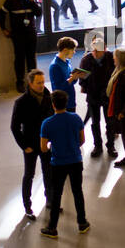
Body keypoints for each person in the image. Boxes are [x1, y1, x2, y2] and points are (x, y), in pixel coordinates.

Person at [39, 89, 90, 238]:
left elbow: (43, 147)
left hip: (58, 163)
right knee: (77, 192)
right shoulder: (76, 118)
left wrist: (51, 145)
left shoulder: (47, 123)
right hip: (75, 161)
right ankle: (82, 223)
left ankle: (52, 227)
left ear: (53, 105)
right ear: (66, 103)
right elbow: (82, 140)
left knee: (56, 195)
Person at [10, 68, 54, 218]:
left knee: (48, 172)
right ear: (30, 84)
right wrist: (24, 146)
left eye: (42, 82)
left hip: (46, 143)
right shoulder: (21, 102)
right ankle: (27, 206)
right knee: (29, 174)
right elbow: (14, 127)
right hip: (30, 144)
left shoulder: (49, 97)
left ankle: (50, 199)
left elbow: (53, 119)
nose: (42, 85)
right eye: (38, 83)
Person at [0, 0, 43, 92]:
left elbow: (39, 13)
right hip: (18, 35)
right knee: (19, 59)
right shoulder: (11, 0)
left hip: (31, 34)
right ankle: (20, 82)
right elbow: (1, 14)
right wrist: (4, 29)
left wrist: (33, 2)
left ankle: (32, 82)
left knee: (31, 59)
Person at [78, 36, 116, 159]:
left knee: (110, 122)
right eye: (93, 50)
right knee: (95, 122)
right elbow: (81, 78)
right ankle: (97, 146)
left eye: (97, 51)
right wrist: (86, 87)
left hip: (107, 95)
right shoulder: (86, 60)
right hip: (93, 95)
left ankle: (111, 146)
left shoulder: (111, 58)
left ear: (104, 50)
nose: (94, 53)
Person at [49, 36, 78, 112]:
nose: (74, 52)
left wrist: (75, 77)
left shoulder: (67, 62)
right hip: (62, 104)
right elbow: (57, 88)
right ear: (65, 50)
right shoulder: (55, 66)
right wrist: (71, 79)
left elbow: (71, 81)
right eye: (73, 50)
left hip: (71, 100)